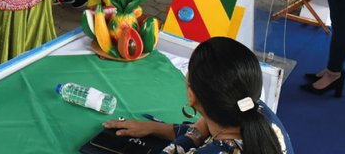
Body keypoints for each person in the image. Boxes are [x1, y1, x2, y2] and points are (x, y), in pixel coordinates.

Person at [104, 37, 289, 154]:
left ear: (192, 96)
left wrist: (192, 137)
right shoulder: (256, 110)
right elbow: (209, 129)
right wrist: (153, 127)